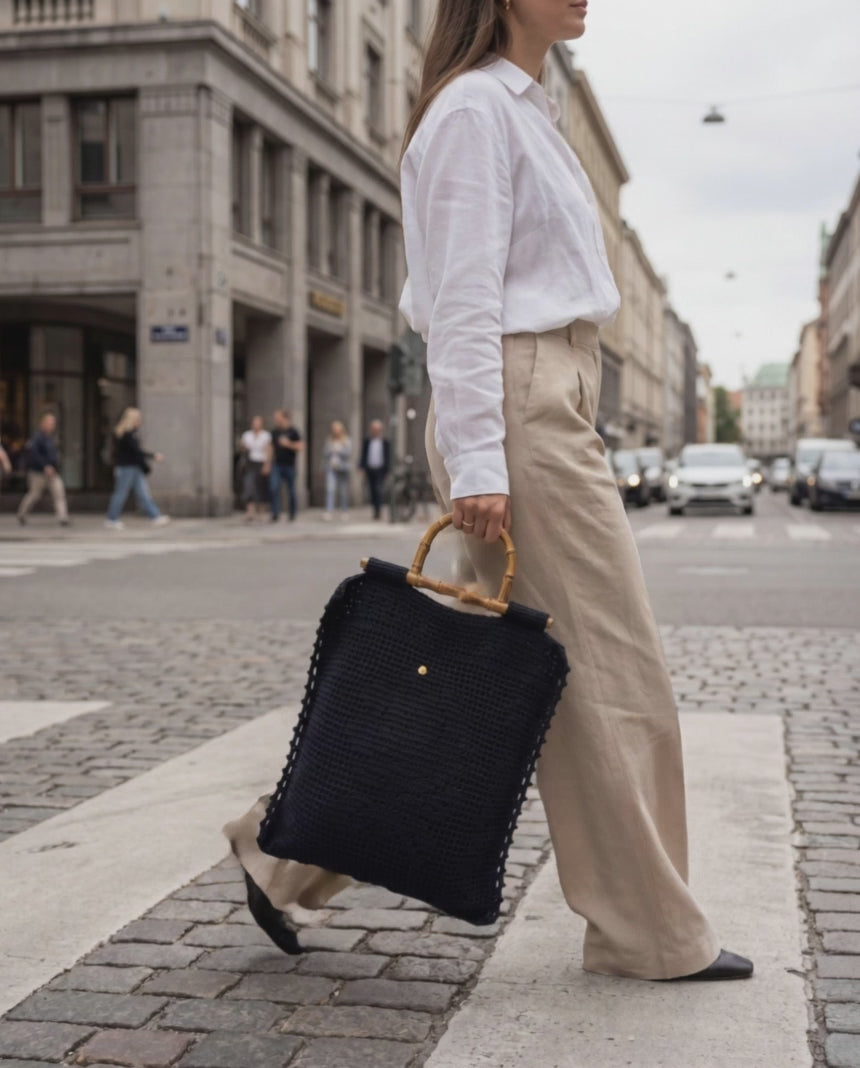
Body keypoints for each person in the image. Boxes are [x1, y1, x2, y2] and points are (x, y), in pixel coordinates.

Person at [224, 0, 751, 983]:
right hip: (521, 409)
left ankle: (280, 847)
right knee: (611, 677)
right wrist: (477, 464)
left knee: (485, 679)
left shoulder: (523, 110)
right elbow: (462, 298)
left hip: (549, 401)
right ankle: (650, 933)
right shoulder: (474, 111)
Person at [105, 407, 170, 530]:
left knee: (143, 493)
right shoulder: (126, 434)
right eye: (138, 419)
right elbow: (136, 452)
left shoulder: (130, 434)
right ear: (132, 420)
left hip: (133, 468)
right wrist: (152, 456)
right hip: (126, 468)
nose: (140, 421)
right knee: (121, 493)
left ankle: (155, 516)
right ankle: (111, 518)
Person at [17, 411, 69, 527]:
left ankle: (63, 517)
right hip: (38, 473)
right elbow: (33, 454)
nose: (52, 425)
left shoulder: (51, 438)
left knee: (59, 492)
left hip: (52, 472)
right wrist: (44, 466)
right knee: (34, 494)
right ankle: (22, 514)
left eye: (53, 423)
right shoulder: (37, 437)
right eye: (50, 423)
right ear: (43, 423)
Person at [268, 410, 303, 523]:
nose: (276, 419)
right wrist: (268, 463)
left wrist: (288, 444)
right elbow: (270, 448)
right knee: (274, 488)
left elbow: (300, 446)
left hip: (289, 465)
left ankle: (292, 513)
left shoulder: (293, 431)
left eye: (277, 417)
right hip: (277, 465)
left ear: (284, 418)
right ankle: (275, 513)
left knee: (291, 490)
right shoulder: (275, 432)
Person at [240, 415, 272, 523]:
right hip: (250, 462)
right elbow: (242, 449)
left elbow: (268, 450)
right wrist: (244, 447)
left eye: (258, 422)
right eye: (254, 422)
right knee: (249, 485)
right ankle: (250, 511)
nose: (256, 424)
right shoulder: (247, 435)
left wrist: (267, 464)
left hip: (261, 462)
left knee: (261, 486)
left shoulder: (265, 435)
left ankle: (261, 512)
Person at [359, 420, 391, 520]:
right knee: (372, 490)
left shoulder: (385, 442)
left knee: (378, 489)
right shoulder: (367, 441)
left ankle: (378, 510)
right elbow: (363, 455)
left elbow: (388, 457)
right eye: (374, 429)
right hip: (370, 469)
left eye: (377, 429)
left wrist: (387, 469)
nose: (375, 431)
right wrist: (362, 467)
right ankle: (375, 509)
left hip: (380, 470)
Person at [322, 420, 351, 521]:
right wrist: (331, 450)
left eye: (338, 430)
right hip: (331, 467)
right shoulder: (330, 440)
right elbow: (325, 453)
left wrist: (339, 450)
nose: (336, 432)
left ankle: (344, 510)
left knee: (343, 490)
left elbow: (348, 453)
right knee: (330, 489)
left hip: (342, 468)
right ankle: (329, 511)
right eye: (334, 430)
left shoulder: (346, 440)